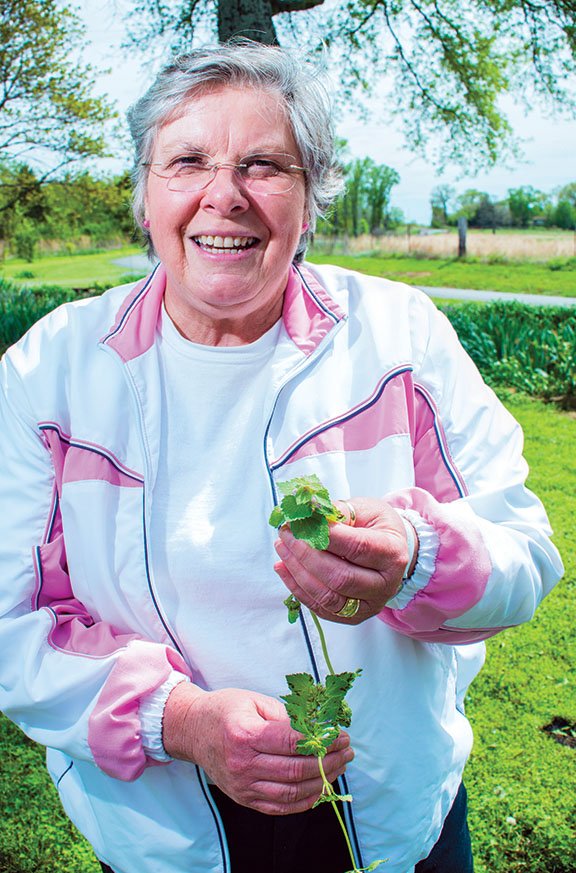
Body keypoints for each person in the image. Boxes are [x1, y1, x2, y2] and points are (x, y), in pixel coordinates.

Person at [0, 41, 564, 873]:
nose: (222, 196)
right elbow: (12, 624)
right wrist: (181, 718)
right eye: (186, 160)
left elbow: (527, 556)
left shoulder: (398, 338)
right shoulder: (51, 372)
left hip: (393, 821)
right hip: (165, 838)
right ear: (145, 195)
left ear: (310, 201)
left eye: (264, 165)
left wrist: (418, 559)